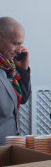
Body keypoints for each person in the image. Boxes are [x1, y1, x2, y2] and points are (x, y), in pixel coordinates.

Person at [0, 17, 31, 145]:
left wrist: (23, 70)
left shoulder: (9, 67)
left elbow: (22, 98)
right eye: (15, 43)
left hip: (9, 145)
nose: (19, 50)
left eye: (20, 44)